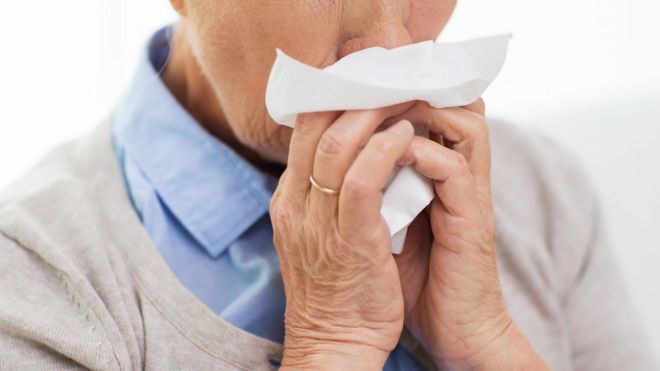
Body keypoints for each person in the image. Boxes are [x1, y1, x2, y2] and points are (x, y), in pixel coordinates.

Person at [0, 1, 656, 370]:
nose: (389, 40)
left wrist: (487, 341)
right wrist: (329, 346)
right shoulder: (36, 278)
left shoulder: (540, 189)